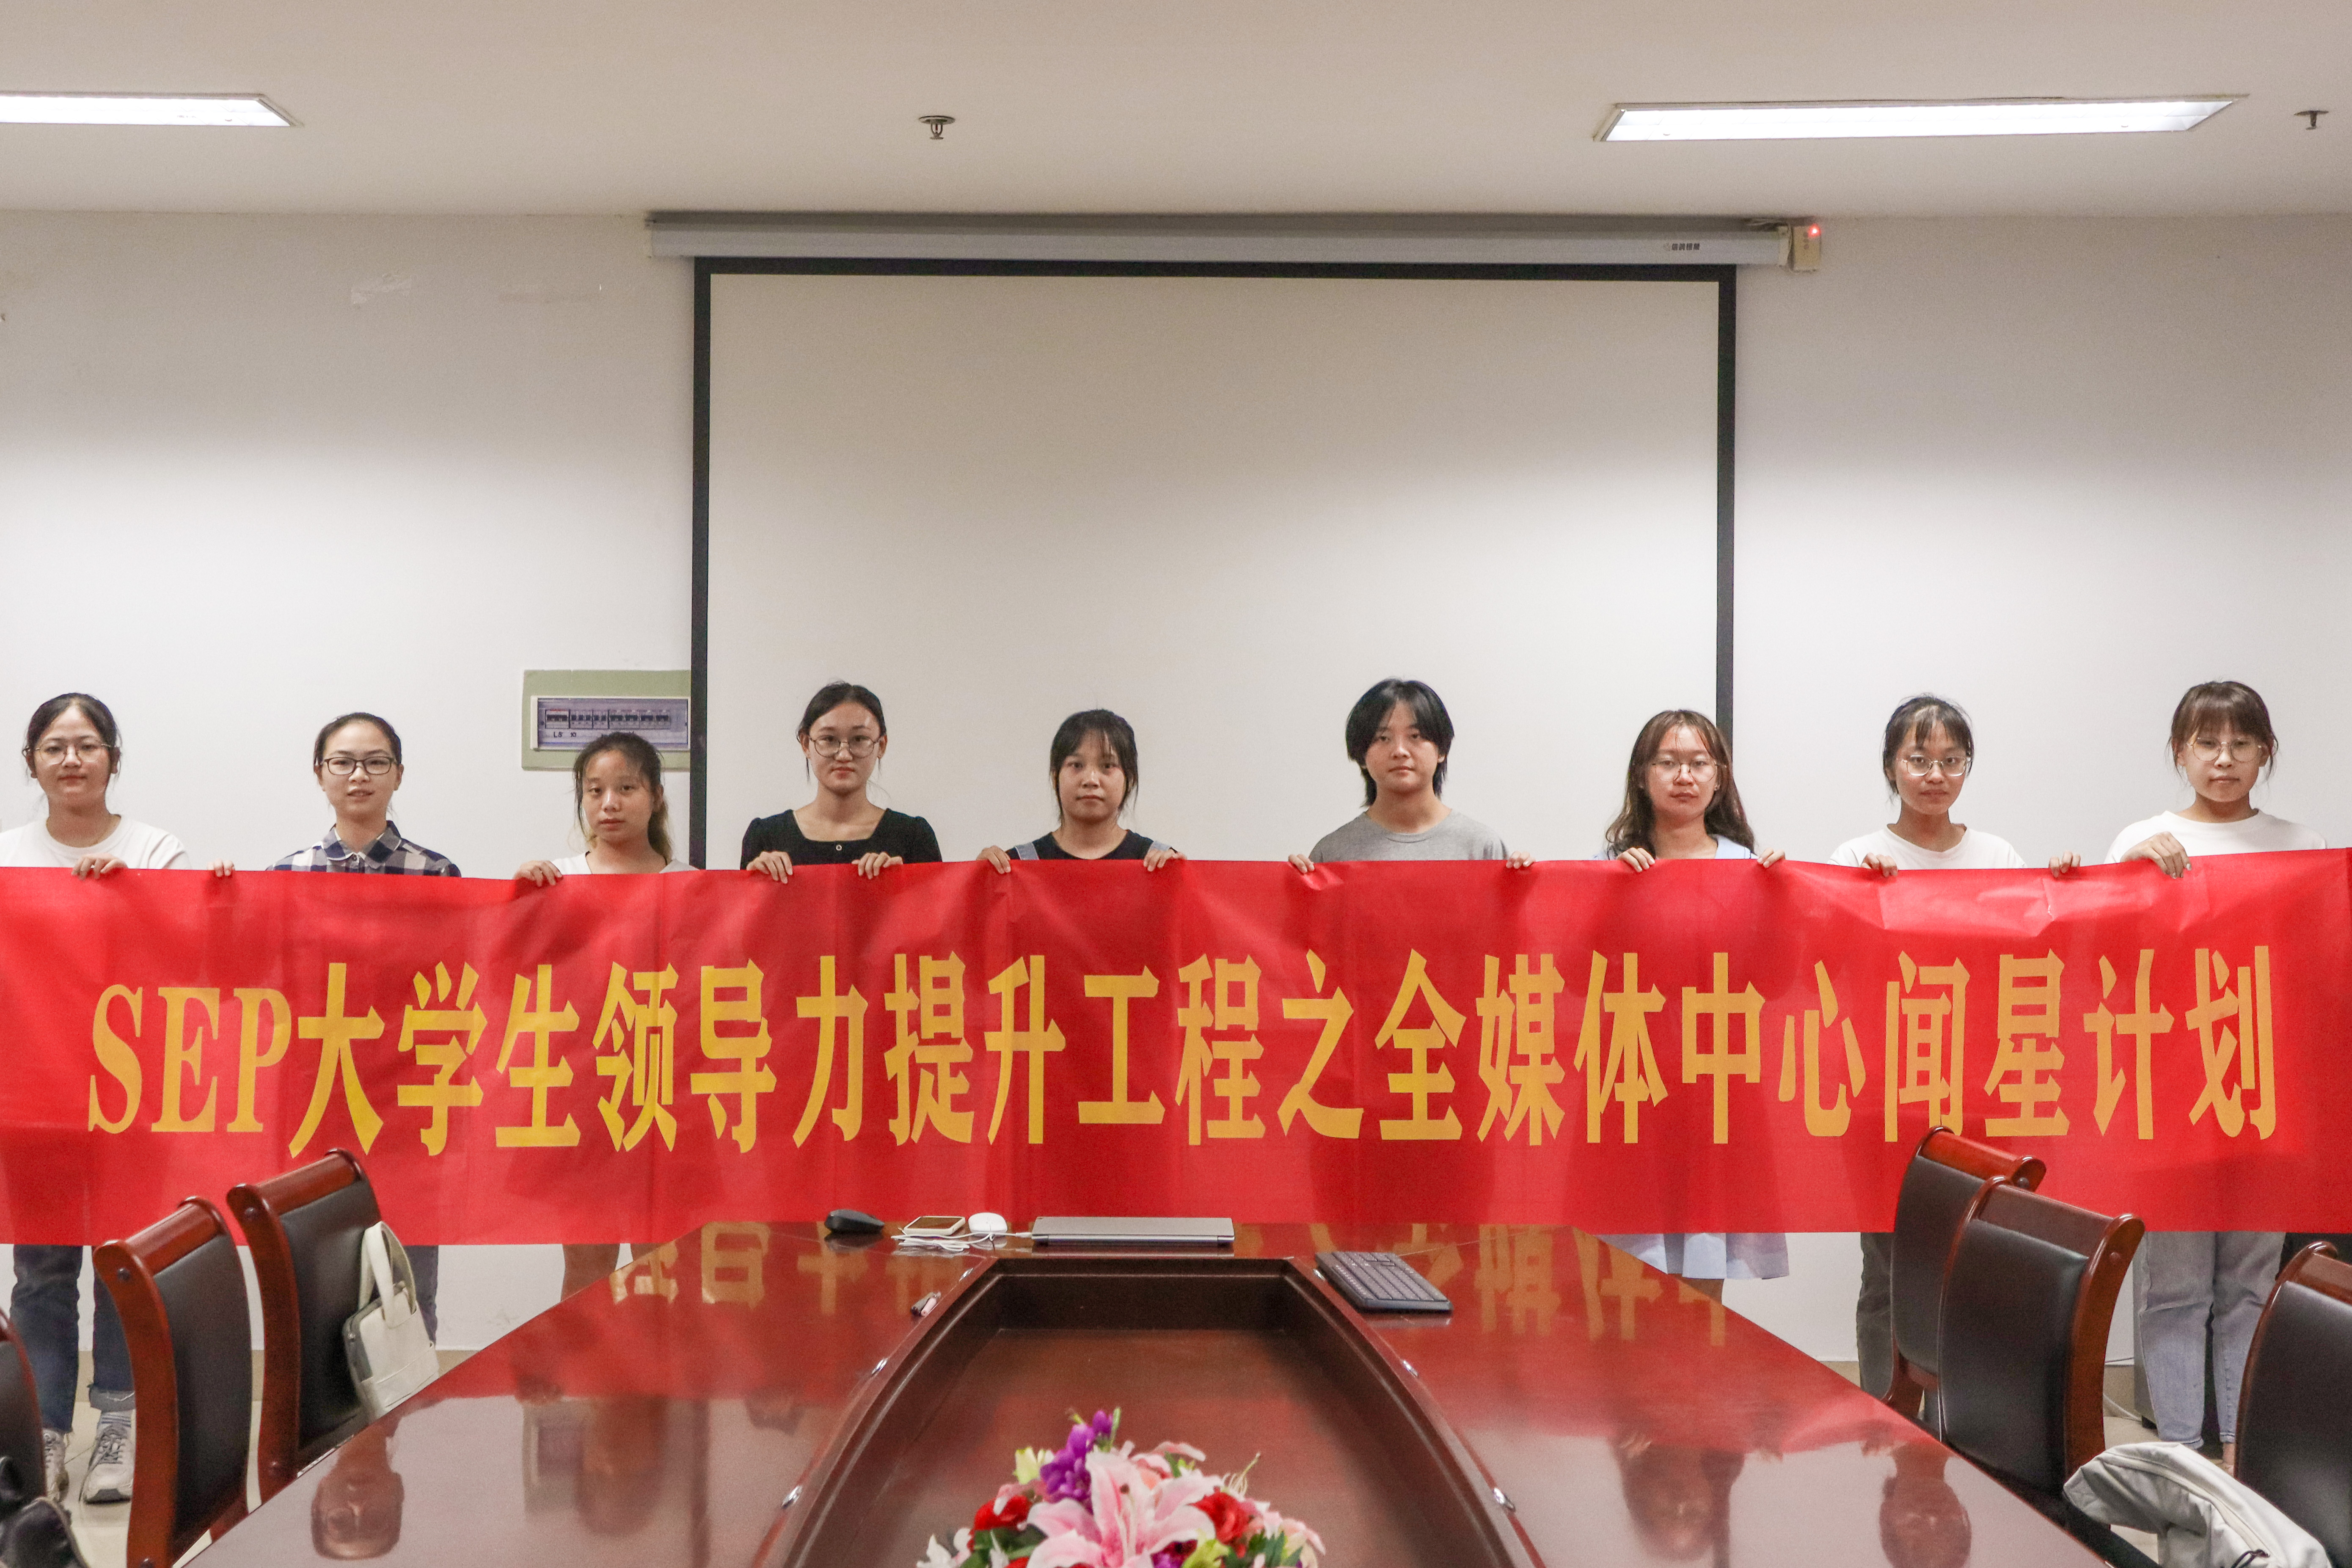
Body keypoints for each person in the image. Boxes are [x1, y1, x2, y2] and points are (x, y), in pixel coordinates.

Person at [0, 694, 227, 1507]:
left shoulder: (155, 850)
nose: (72, 760)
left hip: (133, 1099)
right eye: (55, 747)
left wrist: (138, 897)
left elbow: (189, 957)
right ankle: (42, 1434)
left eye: (88, 745)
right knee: (41, 1273)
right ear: (32, 763)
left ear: (113, 760)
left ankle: (119, 1425)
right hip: (35, 1100)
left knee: (122, 1268)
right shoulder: (7, 856)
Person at [1834, 694, 2077, 1397]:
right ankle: (1886, 1421)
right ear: (1890, 767)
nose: (1935, 775)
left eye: (1951, 760)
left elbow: (2033, 954)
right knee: (1887, 1268)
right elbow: (1833, 967)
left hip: (1975, 1094)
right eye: (1918, 759)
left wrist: (2059, 887)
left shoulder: (1997, 856)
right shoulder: (1855, 857)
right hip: (1884, 1093)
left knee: (1967, 1264)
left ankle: (1955, 1425)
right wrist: (1859, 898)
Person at [2106, 681, 2320, 1472]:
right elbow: (2104, 959)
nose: (2222, 759)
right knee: (2173, 1284)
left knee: (2249, 1282)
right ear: (2179, 752)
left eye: (2240, 743)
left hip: (2266, 1090)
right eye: (2205, 743)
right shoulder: (2143, 839)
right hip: (2171, 1093)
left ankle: (2235, 1450)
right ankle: (2176, 1454)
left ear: (2265, 752)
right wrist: (2127, 874)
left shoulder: (2301, 845)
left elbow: (2315, 971)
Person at [271, 712, 457, 1344]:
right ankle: (323, 1409)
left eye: (376, 762)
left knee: (408, 1280)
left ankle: (409, 1404)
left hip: (408, 1102)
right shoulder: (284, 876)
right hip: (315, 1096)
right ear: (319, 774)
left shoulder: (437, 874)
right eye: (343, 762)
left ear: (398, 775)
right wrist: (220, 894)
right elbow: (266, 988)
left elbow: (455, 985)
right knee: (314, 1275)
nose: (359, 775)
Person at [1598, 709, 1785, 1302]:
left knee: (1704, 1275)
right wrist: (1603, 893)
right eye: (1668, 762)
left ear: (1718, 776)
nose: (1684, 776)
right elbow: (1574, 975)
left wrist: (1781, 899)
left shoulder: (1748, 868)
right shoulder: (1611, 871)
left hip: (1715, 1086)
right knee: (1627, 1279)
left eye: (1698, 763)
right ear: (1642, 775)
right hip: (1634, 1083)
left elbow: (1779, 979)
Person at [515, 732, 690, 1296]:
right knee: (588, 1263)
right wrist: (519, 901)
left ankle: (658, 1359)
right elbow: (518, 978)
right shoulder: (556, 879)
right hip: (584, 1092)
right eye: (595, 791)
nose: (609, 803)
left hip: (664, 1093)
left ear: (656, 797)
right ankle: (584, 1360)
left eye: (626, 789)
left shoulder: (691, 884)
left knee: (659, 1264)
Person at [1290, 678, 1526, 868]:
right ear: (1361, 755)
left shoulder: (1482, 848)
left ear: (1442, 749)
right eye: (1383, 738)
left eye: (1416, 736)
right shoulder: (1332, 854)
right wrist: (1290, 886)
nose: (1400, 751)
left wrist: (1526, 881)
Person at [741, 682, 941, 880]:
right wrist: (755, 883)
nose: (844, 755)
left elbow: (941, 901)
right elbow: (743, 902)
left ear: (881, 745)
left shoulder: (913, 837)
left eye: (859, 739)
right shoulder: (766, 837)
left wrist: (904, 882)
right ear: (806, 744)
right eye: (829, 739)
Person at [978, 709, 1180, 871]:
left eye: (1108, 766)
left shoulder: (1158, 863)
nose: (1091, 780)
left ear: (1130, 779)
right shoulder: (1017, 865)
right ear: (1055, 777)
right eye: (1077, 765)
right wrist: (979, 879)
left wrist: (1179, 878)